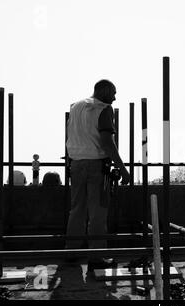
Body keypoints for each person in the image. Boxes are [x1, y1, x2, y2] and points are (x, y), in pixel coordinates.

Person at [65, 79, 130, 271]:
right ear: (104, 91)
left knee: (77, 210)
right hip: (95, 165)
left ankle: (71, 253)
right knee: (98, 213)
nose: (115, 98)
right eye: (113, 93)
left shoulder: (75, 107)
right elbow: (107, 142)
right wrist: (123, 169)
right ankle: (96, 257)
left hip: (76, 163)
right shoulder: (104, 108)